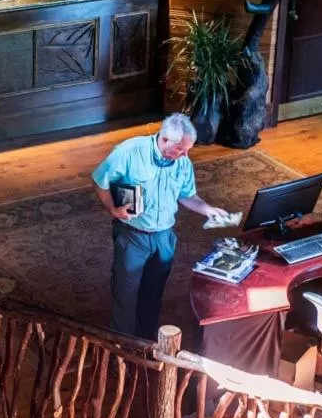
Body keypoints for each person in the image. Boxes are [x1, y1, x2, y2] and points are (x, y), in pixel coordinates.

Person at [92, 114, 230, 341]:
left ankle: (146, 343)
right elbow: (100, 180)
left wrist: (207, 209)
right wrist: (112, 209)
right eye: (181, 149)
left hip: (164, 236)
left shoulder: (182, 162)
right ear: (165, 139)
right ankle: (121, 351)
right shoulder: (129, 152)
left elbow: (187, 195)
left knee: (153, 294)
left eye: (188, 149)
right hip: (133, 235)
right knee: (125, 297)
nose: (185, 155)